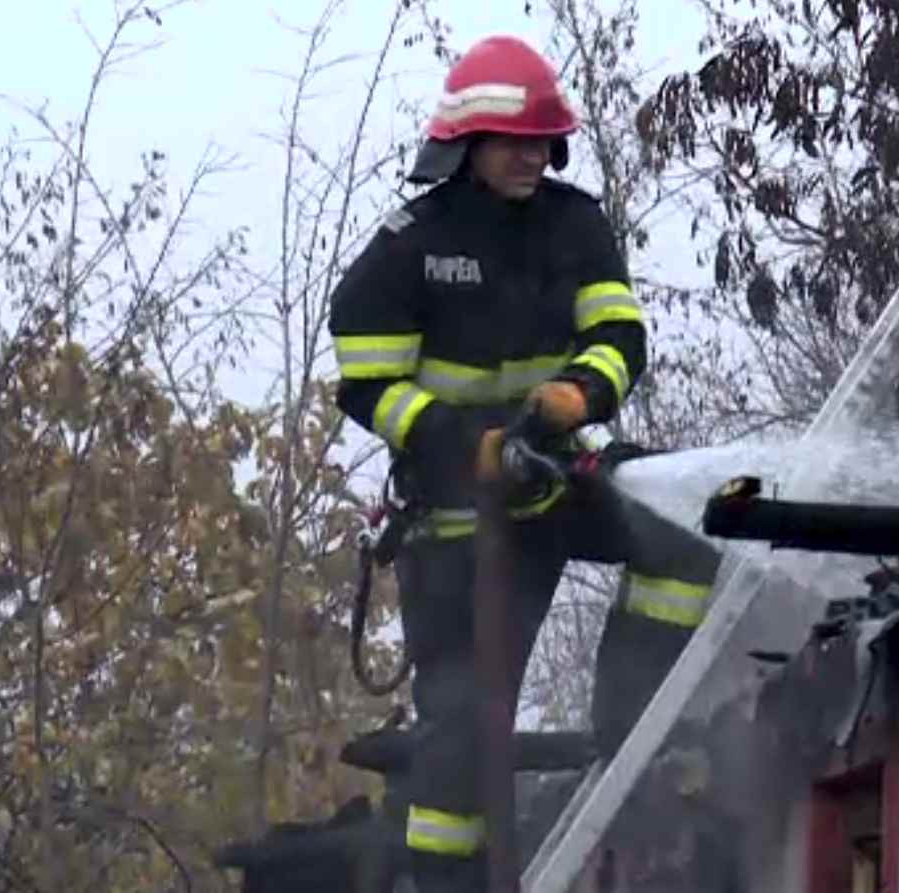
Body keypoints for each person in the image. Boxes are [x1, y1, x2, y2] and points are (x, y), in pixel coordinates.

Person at [326, 34, 721, 889]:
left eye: (544, 141)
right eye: (516, 142)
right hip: (454, 523)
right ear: (466, 144)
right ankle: (445, 881)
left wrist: (580, 396)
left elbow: (619, 335)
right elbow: (368, 387)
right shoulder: (410, 246)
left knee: (683, 534)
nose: (533, 157)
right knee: (465, 726)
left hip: (550, 483)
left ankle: (630, 724)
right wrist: (463, 446)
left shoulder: (574, 227)